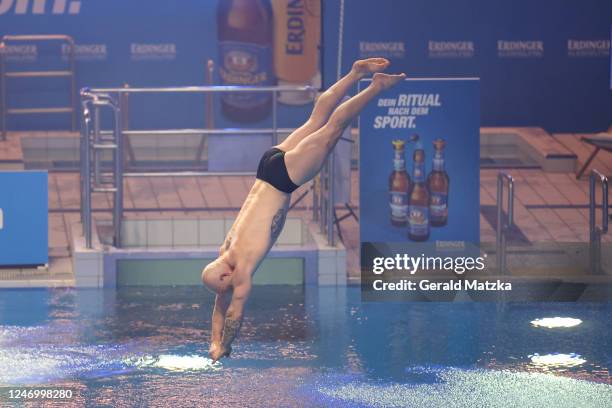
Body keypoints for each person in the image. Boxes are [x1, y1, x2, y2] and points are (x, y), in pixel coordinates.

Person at [202, 58, 405, 361]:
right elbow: (220, 307)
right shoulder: (225, 251)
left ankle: (375, 87)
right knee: (315, 119)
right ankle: (355, 72)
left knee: (334, 128)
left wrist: (226, 346)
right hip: (266, 168)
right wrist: (212, 341)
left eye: (225, 287)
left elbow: (233, 314)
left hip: (284, 180)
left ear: (225, 277)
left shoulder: (241, 271)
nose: (228, 291)